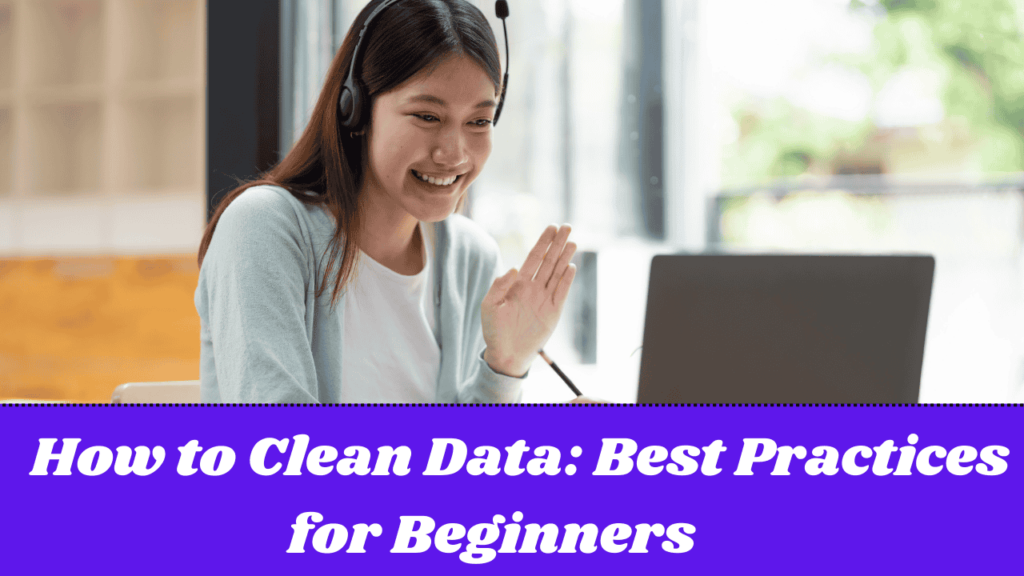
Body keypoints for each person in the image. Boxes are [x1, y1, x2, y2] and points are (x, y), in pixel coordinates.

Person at [194, 0, 578, 403]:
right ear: (356, 110)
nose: (455, 153)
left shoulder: (470, 259)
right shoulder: (263, 229)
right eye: (428, 117)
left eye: (479, 121)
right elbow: (280, 454)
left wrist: (505, 365)